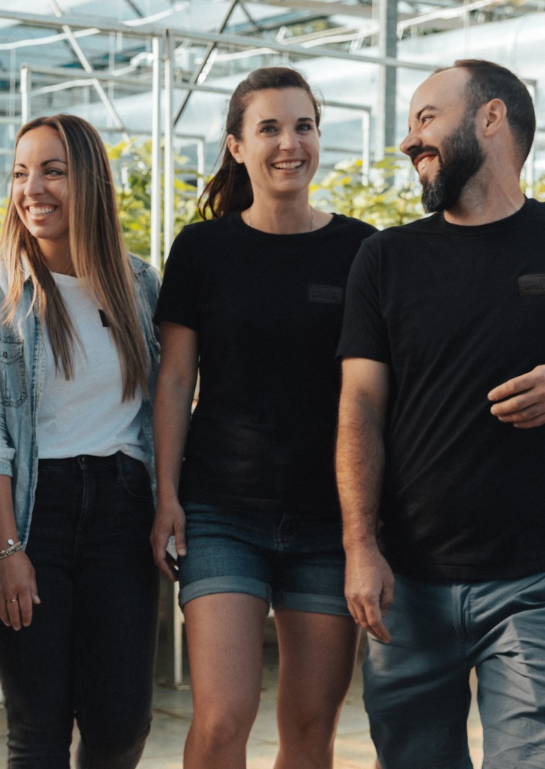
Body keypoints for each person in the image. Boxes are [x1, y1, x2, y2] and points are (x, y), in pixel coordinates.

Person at [335, 59, 545, 768]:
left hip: (533, 582)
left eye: (426, 119)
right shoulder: (384, 259)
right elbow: (360, 407)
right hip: (408, 581)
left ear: (490, 118)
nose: (408, 142)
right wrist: (360, 545)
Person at [149, 66, 379, 769]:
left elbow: (372, 391)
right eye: (270, 128)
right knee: (223, 717)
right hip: (221, 510)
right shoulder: (203, 249)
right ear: (236, 147)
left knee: (311, 727)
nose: (290, 143)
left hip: (326, 520)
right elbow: (175, 379)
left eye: (303, 125)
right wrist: (165, 497)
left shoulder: (363, 250)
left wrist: (367, 527)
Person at [0, 114, 161, 769]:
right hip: (32, 512)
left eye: (53, 170)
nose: (32, 188)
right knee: (38, 730)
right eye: (21, 172)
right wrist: (4, 548)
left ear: (91, 183)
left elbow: (162, 408)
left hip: (123, 511)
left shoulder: (139, 286)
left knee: (121, 725)